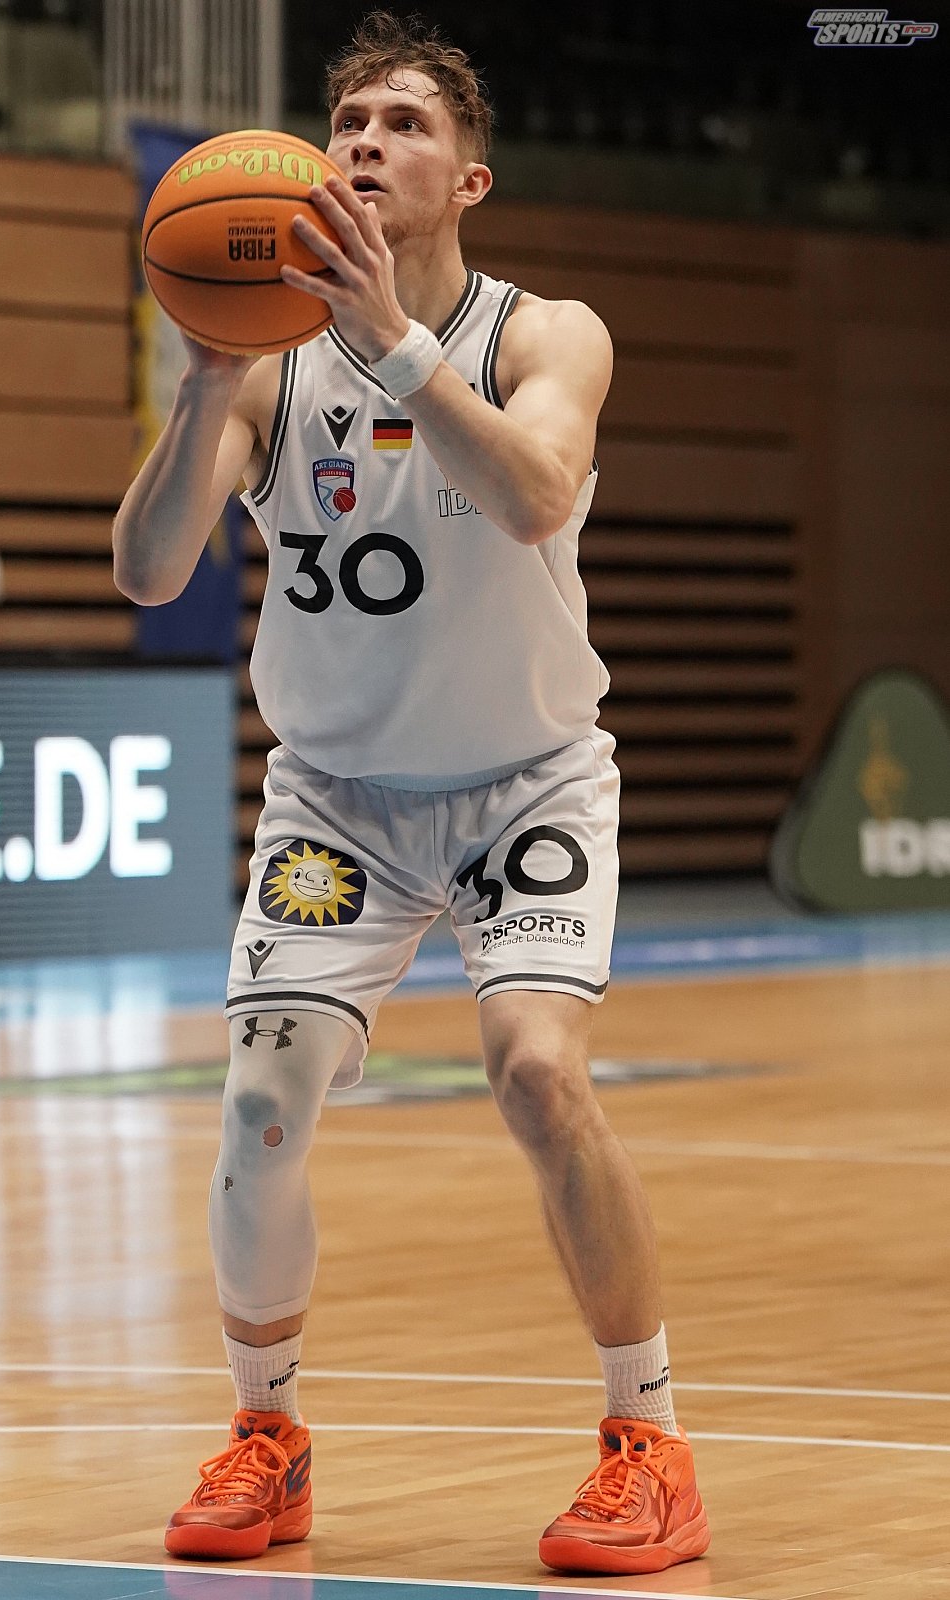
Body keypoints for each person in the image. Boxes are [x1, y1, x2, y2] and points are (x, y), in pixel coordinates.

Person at [113, 10, 709, 1579]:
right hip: (338, 804)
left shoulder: (544, 334)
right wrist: (203, 386)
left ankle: (648, 1445)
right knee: (259, 1105)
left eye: (404, 123)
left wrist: (396, 351)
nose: (368, 141)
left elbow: (537, 495)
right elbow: (147, 570)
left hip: (527, 783)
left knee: (537, 1075)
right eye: (349, 122)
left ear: (469, 180)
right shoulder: (268, 363)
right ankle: (267, 1436)